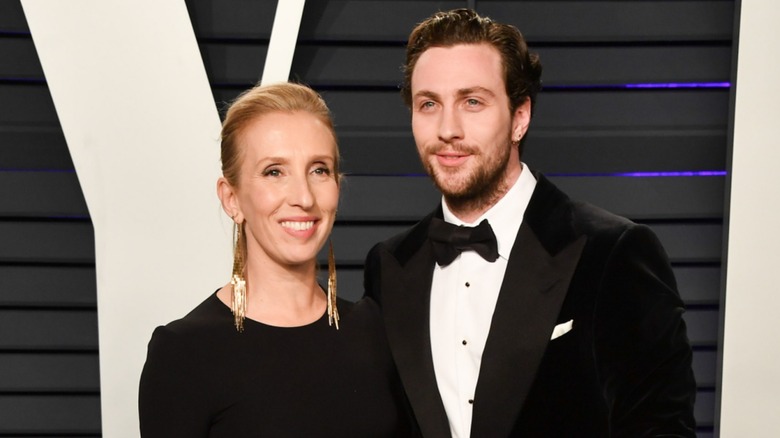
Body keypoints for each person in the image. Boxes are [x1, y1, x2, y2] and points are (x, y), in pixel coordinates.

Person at [364, 8, 697, 437]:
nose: (448, 128)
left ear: (520, 116)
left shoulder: (613, 252)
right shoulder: (389, 266)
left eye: (472, 102)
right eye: (429, 104)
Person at [139, 82, 414, 437]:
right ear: (231, 198)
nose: (303, 196)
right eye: (274, 172)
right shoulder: (183, 353)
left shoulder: (376, 331)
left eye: (319, 170)